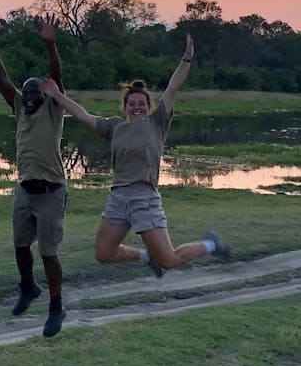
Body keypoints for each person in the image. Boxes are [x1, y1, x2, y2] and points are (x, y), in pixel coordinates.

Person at [40, 35, 232, 275]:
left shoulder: (158, 122)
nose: (137, 107)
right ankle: (145, 256)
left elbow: (173, 87)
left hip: (144, 197)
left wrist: (187, 58)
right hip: (118, 197)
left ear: (148, 105)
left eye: (141, 103)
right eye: (132, 103)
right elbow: (83, 115)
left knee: (169, 261)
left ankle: (210, 244)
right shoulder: (114, 127)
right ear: (125, 106)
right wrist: (57, 95)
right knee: (103, 254)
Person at [0, 13, 68, 337]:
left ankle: (56, 306)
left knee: (48, 253)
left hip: (51, 192)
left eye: (35, 93)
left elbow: (57, 78)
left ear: (46, 96)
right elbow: (2, 80)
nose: (29, 96)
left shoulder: (53, 108)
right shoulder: (19, 107)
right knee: (20, 245)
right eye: (27, 93)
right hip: (25, 189)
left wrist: (51, 45)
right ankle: (28, 287)